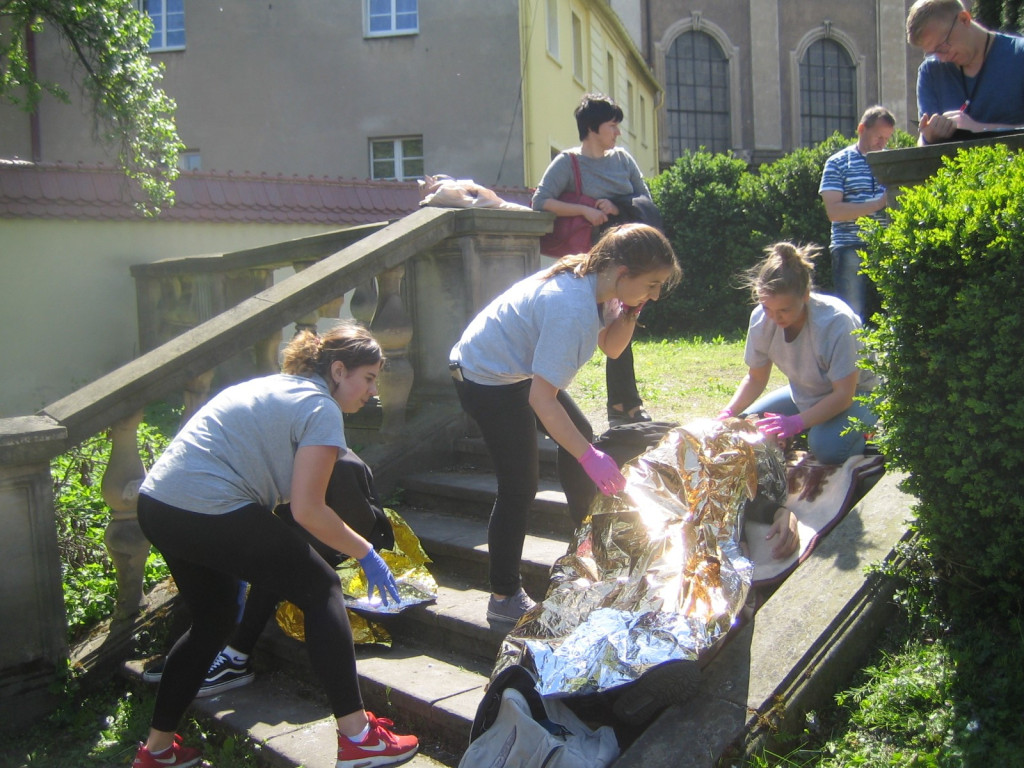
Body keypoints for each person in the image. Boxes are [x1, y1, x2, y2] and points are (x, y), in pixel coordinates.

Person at [132, 322, 418, 768]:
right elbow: (309, 510)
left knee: (214, 619)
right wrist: (366, 551)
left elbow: (288, 499)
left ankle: (156, 752)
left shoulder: (274, 386)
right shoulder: (320, 407)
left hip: (158, 503)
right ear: (338, 370)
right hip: (207, 503)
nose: (373, 391)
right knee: (320, 587)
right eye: (368, 378)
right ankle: (359, 738)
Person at [449, 223, 681, 625]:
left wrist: (631, 309)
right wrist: (590, 457)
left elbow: (612, 348)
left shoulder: (601, 284)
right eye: (652, 284)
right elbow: (542, 400)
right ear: (623, 273)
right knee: (520, 485)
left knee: (581, 442)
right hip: (484, 377)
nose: (657, 295)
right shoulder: (571, 307)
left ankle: (588, 546)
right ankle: (503, 595)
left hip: (514, 370)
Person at [141, 450, 395, 698]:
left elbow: (357, 525)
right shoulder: (279, 455)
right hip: (306, 530)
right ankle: (201, 655)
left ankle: (237, 656)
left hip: (353, 545)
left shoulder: (337, 464)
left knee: (280, 562)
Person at [532, 93, 662, 427]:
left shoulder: (623, 160)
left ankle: (624, 404)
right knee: (570, 330)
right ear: (593, 128)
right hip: (588, 264)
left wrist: (617, 206)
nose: (618, 133)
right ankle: (544, 403)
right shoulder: (567, 163)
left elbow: (645, 201)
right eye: (612, 125)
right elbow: (541, 201)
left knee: (622, 324)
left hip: (627, 261)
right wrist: (584, 210)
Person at [717, 242, 878, 467]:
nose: (775, 317)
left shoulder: (836, 322)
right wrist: (728, 411)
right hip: (805, 392)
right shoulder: (760, 318)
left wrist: (796, 423)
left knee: (826, 448)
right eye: (767, 309)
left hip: (859, 395)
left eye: (784, 310)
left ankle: (867, 437)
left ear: (805, 296)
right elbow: (755, 378)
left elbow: (843, 395)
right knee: (745, 426)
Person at [907, 0, 1024, 145]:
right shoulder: (930, 72)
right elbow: (922, 145)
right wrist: (928, 137)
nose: (942, 59)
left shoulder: (1019, 55)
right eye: (932, 53)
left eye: (942, 47)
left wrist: (979, 129)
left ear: (964, 19)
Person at [818, 105, 895, 320]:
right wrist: (878, 204)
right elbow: (834, 211)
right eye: (879, 136)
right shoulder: (837, 162)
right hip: (849, 245)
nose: (883, 143)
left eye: (887, 138)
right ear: (862, 129)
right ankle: (851, 354)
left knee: (895, 311)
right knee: (851, 315)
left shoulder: (891, 162)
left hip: (887, 245)